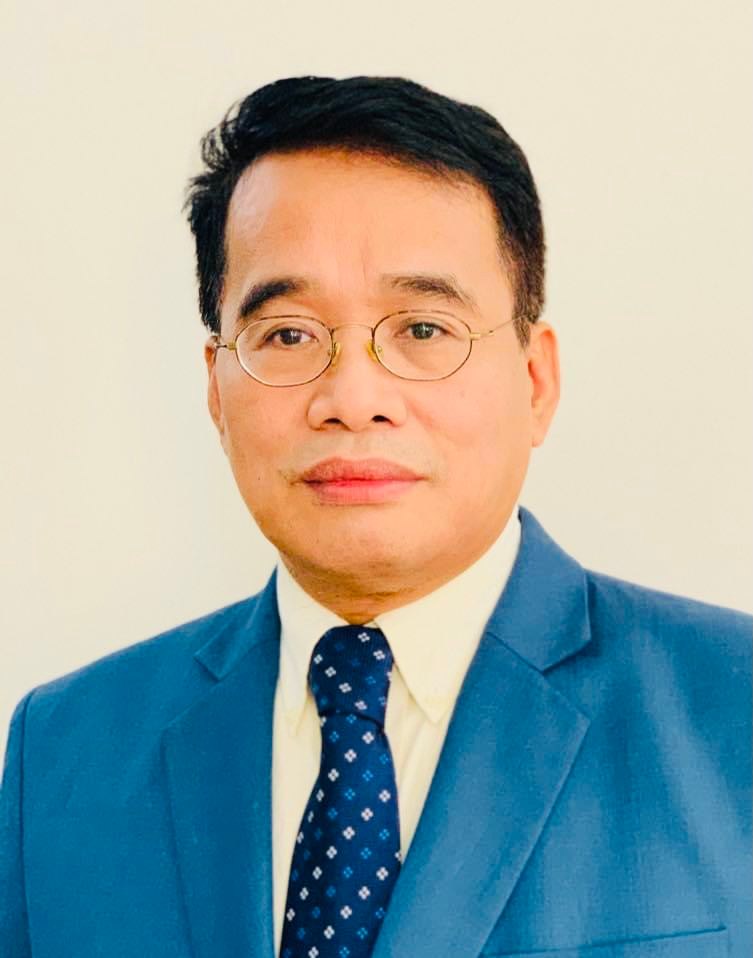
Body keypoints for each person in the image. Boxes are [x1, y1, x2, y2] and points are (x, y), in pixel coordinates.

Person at [1, 75, 750, 958]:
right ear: (214, 389)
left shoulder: (730, 708)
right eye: (287, 335)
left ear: (535, 380)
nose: (353, 398)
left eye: (423, 330)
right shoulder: (65, 750)